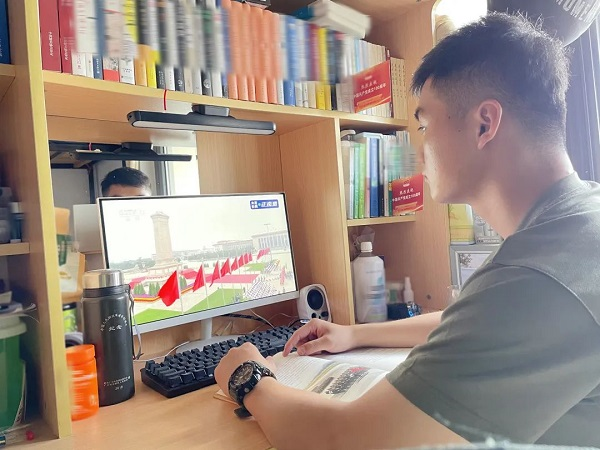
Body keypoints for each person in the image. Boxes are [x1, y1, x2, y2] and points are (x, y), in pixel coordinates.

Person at [215, 12, 600, 449]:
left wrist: (249, 378)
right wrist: (355, 334)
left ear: (484, 124)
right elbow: (473, 322)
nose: (419, 149)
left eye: (424, 125)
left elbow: (347, 441)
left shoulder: (535, 278)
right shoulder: (573, 223)